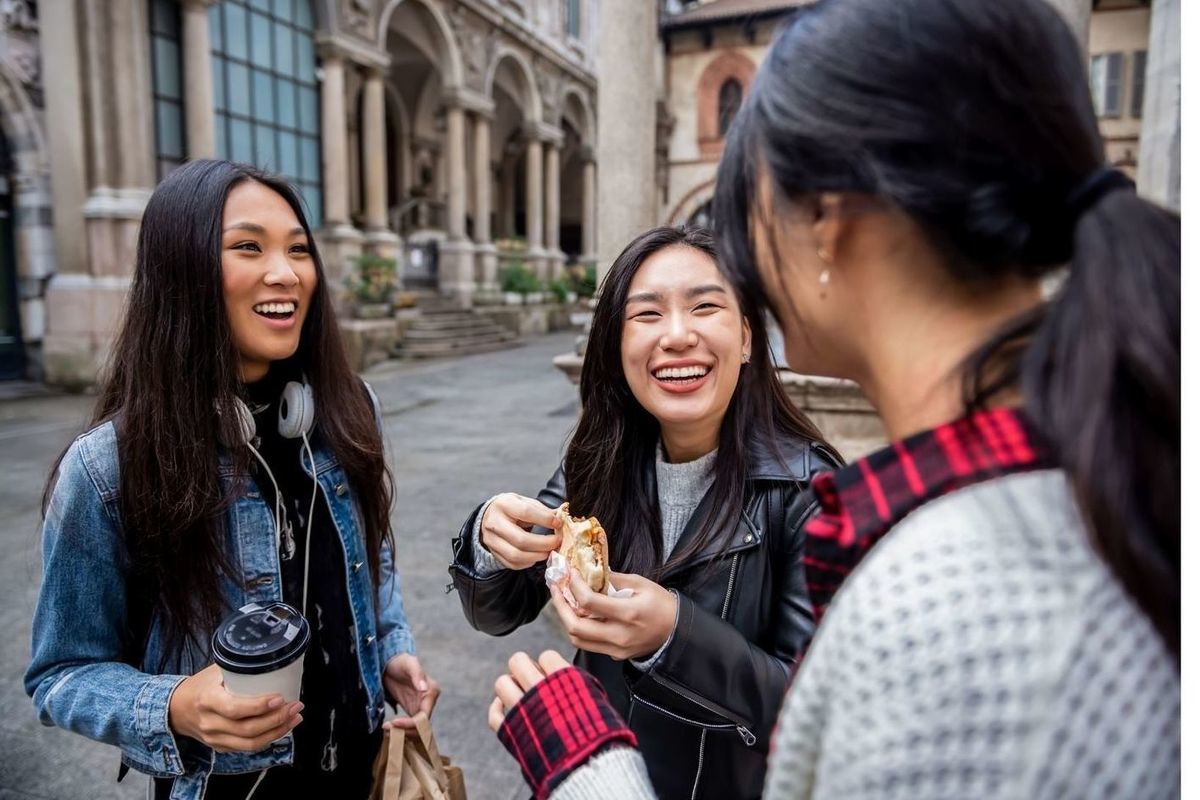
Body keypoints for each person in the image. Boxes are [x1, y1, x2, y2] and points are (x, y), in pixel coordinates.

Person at [484, 1, 1181, 798]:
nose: (687, 327)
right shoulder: (1095, 491)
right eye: (646, 313)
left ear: (823, 222)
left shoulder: (951, 601)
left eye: (742, 219)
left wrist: (586, 769)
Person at [25, 160, 439, 800]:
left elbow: (372, 557)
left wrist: (392, 649)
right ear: (182, 270)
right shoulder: (108, 466)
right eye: (249, 247)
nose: (287, 273)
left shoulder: (349, 409)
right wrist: (174, 706)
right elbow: (60, 674)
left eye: (299, 250)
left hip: (362, 772)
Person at [449, 226, 840, 799]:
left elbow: (819, 705)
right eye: (647, 315)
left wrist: (674, 636)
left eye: (705, 307)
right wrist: (487, 539)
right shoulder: (598, 461)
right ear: (615, 343)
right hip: (592, 770)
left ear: (749, 337)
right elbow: (500, 610)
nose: (678, 336)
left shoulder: (808, 490)